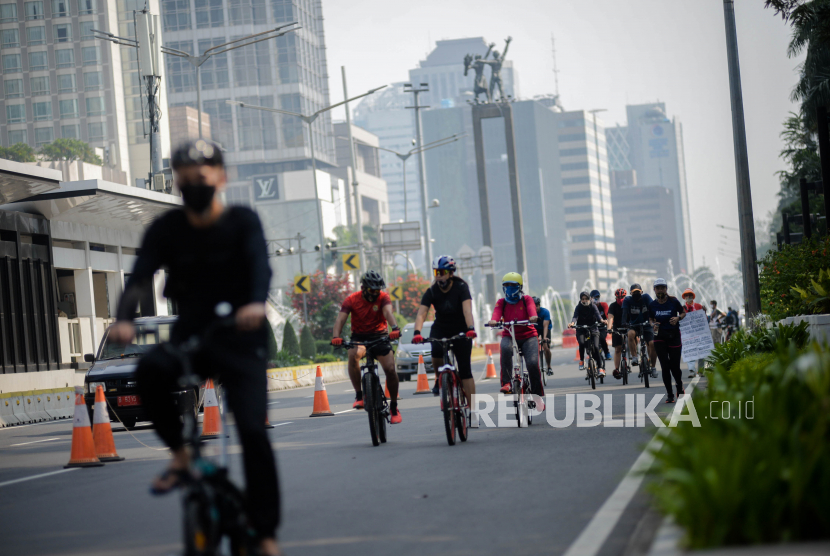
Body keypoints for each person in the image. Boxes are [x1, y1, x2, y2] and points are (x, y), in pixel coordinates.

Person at [107, 140, 281, 555]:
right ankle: (182, 454)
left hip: (242, 343)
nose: (193, 186)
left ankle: (266, 533)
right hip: (193, 340)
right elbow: (139, 277)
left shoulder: (242, 222)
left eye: (201, 178)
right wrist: (125, 318)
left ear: (222, 177)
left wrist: (256, 302)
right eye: (184, 180)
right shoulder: (167, 229)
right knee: (150, 369)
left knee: (254, 432)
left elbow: (260, 265)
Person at [412, 256, 478, 426]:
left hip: (462, 329)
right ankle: (438, 377)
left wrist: (470, 328)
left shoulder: (461, 287)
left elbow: (467, 310)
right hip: (441, 327)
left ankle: (473, 411)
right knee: (434, 350)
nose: (438, 276)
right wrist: (417, 332)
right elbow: (421, 313)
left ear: (450, 273)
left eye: (441, 273)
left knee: (465, 371)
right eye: (436, 272)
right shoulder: (432, 291)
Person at [332, 270, 402, 423]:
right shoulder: (351, 299)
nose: (375, 293)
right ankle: (359, 395)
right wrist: (336, 337)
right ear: (363, 288)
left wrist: (395, 328)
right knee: (353, 355)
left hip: (380, 336)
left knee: (390, 369)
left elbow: (388, 312)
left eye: (378, 290)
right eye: (372, 290)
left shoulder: (383, 297)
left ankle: (394, 406)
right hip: (360, 337)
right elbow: (340, 320)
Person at [488, 272, 544, 407]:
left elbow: (532, 309)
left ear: (519, 286)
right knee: (505, 349)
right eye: (506, 285)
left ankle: (537, 396)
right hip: (509, 335)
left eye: (512, 285)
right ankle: (507, 383)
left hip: (528, 337)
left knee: (532, 364)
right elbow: (496, 313)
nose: (509, 288)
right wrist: (494, 321)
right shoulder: (501, 302)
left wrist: (533, 317)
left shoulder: (527, 299)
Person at [649, 278, 687, 403]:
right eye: (658, 288)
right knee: (665, 366)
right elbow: (650, 318)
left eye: (662, 287)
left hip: (674, 336)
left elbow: (683, 313)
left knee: (675, 366)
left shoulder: (673, 301)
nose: (660, 290)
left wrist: (677, 318)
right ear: (654, 290)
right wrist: (653, 324)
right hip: (659, 337)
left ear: (666, 289)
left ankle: (679, 387)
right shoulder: (652, 304)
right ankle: (670, 394)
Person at [622, 283, 657, 378]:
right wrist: (624, 322)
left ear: (641, 292)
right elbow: (624, 313)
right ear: (630, 293)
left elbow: (653, 308)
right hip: (633, 325)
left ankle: (653, 367)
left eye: (638, 292)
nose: (636, 294)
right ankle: (634, 357)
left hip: (647, 324)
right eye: (634, 292)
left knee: (652, 344)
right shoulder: (627, 300)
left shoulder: (646, 297)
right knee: (630, 334)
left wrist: (655, 320)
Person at [568, 291, 607, 376]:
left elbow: (598, 316)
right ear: (580, 300)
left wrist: (602, 321)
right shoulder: (578, 307)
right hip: (581, 329)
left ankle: (600, 368)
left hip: (593, 329)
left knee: (596, 347)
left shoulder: (593, 306)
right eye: (583, 299)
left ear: (589, 299)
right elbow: (575, 316)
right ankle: (582, 361)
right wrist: (572, 323)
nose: (584, 301)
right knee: (581, 343)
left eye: (586, 299)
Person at [682, 288, 706, 378]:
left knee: (701, 353)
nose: (688, 297)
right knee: (690, 351)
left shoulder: (699, 306)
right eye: (687, 295)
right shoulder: (682, 308)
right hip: (688, 335)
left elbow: (704, 320)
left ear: (693, 296)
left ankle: (701, 370)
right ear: (684, 297)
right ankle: (691, 370)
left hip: (699, 333)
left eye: (690, 295)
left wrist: (705, 312)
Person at [607, 288, 627, 379]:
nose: (620, 299)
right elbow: (610, 318)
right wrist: (609, 328)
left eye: (622, 297)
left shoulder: (628, 304)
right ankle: (617, 369)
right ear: (615, 297)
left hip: (628, 327)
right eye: (618, 297)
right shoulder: (613, 306)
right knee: (618, 349)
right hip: (617, 329)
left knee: (632, 342)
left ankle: (637, 358)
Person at [532, 296, 553, 376]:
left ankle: (549, 366)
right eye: (533, 306)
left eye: (536, 306)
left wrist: (544, 338)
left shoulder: (545, 312)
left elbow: (545, 326)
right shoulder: (530, 313)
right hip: (535, 329)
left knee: (546, 347)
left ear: (539, 305)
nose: (535, 308)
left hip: (545, 328)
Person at [591, 289, 611, 360]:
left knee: (602, 338)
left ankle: (607, 353)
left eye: (598, 297)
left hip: (602, 327)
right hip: (592, 327)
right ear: (591, 298)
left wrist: (607, 321)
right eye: (594, 297)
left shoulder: (603, 305)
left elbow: (607, 314)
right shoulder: (589, 307)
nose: (597, 299)